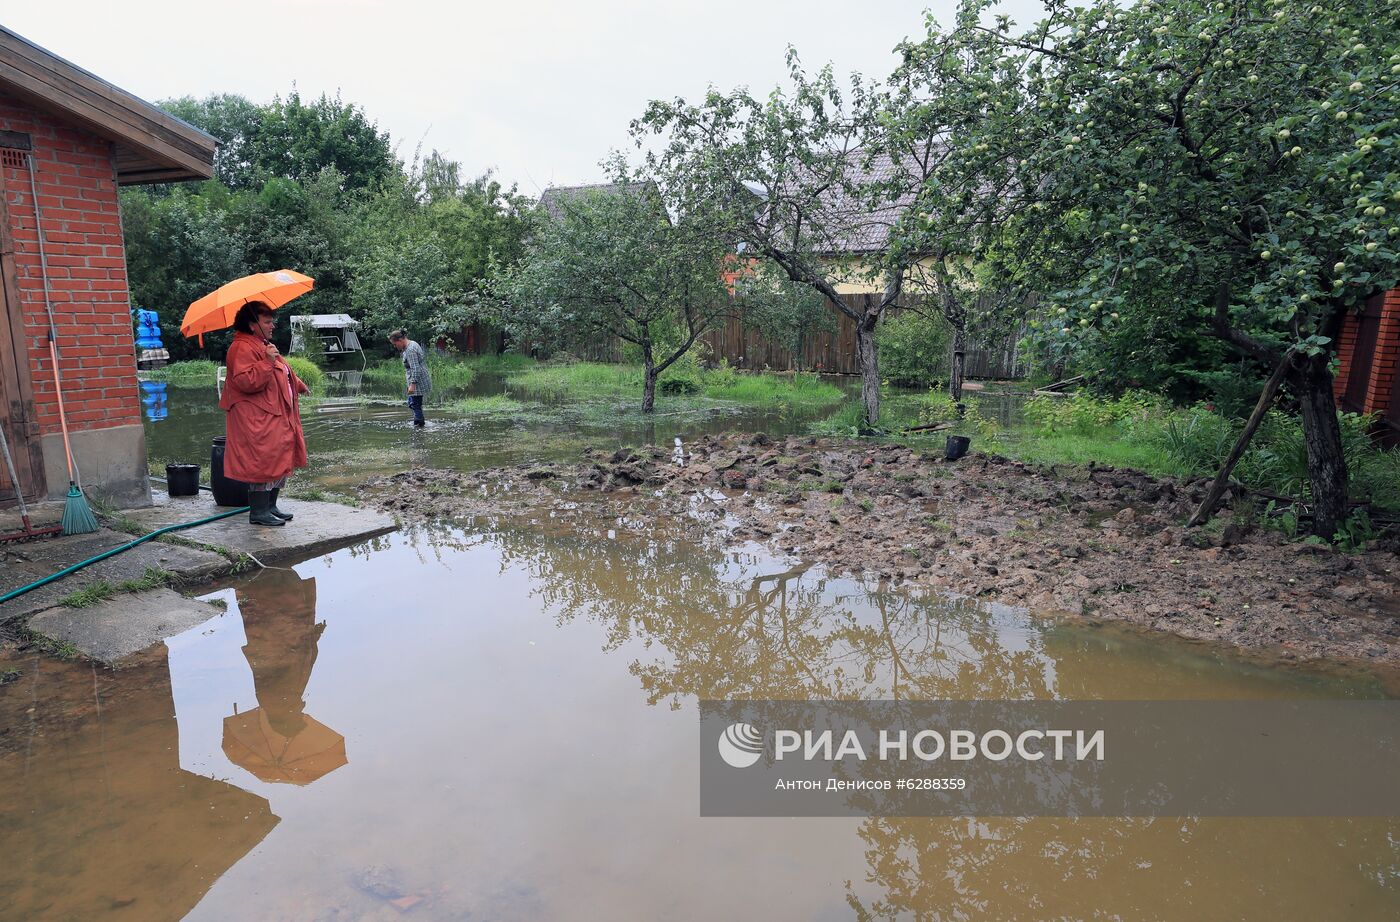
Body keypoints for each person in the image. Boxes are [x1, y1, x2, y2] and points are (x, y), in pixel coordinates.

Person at [220, 301, 310, 526]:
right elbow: (245, 381)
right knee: (262, 462)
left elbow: (281, 370)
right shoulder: (240, 348)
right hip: (256, 418)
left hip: (273, 414)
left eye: (272, 321)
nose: (272, 326)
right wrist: (268, 361)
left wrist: (297, 383)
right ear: (252, 325)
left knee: (278, 458)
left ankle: (271, 506)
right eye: (267, 322)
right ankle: (258, 512)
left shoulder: (262, 344)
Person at [389, 330, 432, 426]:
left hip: (418, 381)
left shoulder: (410, 350)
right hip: (418, 379)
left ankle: (419, 427)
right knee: (412, 403)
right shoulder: (412, 344)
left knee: (415, 405)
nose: (395, 346)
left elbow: (415, 368)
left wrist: (412, 384)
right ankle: (418, 425)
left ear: (400, 340)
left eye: (395, 344)